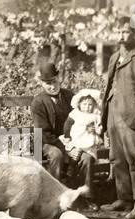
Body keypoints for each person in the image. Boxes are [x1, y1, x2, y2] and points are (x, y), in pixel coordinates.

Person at [100, 17, 135, 219]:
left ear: (134, 33)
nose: (121, 36)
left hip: (131, 115)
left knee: (134, 159)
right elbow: (109, 87)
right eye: (118, 32)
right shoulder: (114, 57)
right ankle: (124, 199)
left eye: (125, 32)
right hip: (112, 113)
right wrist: (104, 115)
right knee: (117, 159)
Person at [31, 62, 98, 211]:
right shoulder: (38, 103)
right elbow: (44, 133)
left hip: (74, 141)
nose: (52, 86)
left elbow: (83, 115)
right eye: (47, 83)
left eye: (54, 81)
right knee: (57, 156)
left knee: (87, 158)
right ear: (42, 83)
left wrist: (90, 126)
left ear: (59, 78)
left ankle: (85, 197)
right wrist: (67, 148)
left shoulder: (70, 97)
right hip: (48, 143)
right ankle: (55, 198)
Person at [61, 89, 103, 176]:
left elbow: (100, 127)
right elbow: (67, 125)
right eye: (84, 104)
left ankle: (88, 172)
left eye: (90, 105)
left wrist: (96, 130)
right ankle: (70, 167)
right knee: (76, 152)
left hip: (89, 139)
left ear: (94, 105)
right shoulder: (76, 113)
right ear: (79, 104)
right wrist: (67, 136)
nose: (87, 107)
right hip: (77, 137)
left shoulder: (95, 115)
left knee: (90, 153)